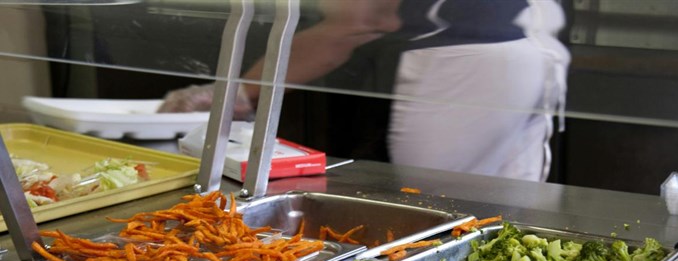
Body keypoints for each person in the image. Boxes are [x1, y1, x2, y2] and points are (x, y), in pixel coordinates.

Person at [159, 0, 570, 182]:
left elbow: (358, 21)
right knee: (509, 208)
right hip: (536, 50)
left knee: (437, 205)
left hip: (467, 65)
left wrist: (242, 92)